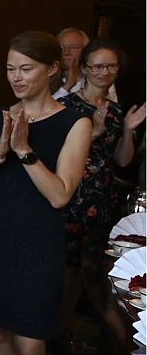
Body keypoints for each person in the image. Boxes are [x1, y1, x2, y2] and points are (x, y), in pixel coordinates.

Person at [0, 31, 91, 355]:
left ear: (53, 69)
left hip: (38, 241)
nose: (16, 77)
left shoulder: (76, 122)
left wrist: (24, 151)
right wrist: (1, 150)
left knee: (31, 348)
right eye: (10, 69)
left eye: (25, 68)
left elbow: (60, 195)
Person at [58, 40, 146, 330]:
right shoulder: (66, 107)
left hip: (102, 197)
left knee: (88, 270)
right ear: (84, 69)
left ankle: (66, 331)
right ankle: (51, 332)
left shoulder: (118, 111)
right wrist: (92, 134)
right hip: (70, 193)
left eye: (111, 66)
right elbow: (56, 154)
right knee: (63, 269)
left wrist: (129, 131)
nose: (104, 72)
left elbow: (122, 161)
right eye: (98, 66)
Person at [53, 27, 118, 102]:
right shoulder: (49, 77)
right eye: (61, 48)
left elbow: (112, 109)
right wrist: (68, 85)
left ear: (85, 51)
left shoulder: (100, 77)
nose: (66, 53)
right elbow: (45, 110)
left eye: (73, 48)